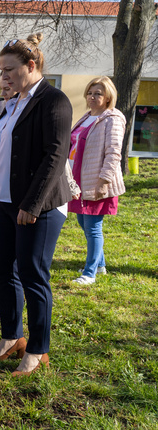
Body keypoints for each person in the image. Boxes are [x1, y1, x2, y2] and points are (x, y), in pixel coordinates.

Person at [0, 33, 72, 377]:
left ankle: (38, 349)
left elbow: (55, 156)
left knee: (34, 276)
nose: (4, 77)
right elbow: (1, 151)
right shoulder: (13, 102)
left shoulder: (54, 100)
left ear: (31, 66)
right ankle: (12, 336)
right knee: (5, 272)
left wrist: (32, 205)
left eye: (9, 70)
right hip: (3, 202)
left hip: (39, 207)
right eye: (1, 71)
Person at [68, 76, 126, 285]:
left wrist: (104, 180)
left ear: (108, 96)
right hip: (80, 178)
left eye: (98, 94)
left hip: (97, 180)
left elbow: (114, 153)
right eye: (90, 93)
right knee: (83, 222)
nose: (92, 97)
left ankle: (89, 273)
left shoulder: (113, 119)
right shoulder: (87, 117)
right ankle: (100, 265)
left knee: (93, 226)